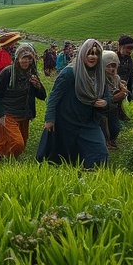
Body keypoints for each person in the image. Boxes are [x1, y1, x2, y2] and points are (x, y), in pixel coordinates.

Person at [37, 39, 110, 168]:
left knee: (99, 152)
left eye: (96, 53)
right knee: (62, 159)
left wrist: (104, 103)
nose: (92, 56)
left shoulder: (100, 75)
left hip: (88, 122)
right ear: (82, 54)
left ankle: (90, 178)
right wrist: (49, 119)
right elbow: (54, 96)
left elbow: (107, 97)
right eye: (89, 53)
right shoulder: (70, 73)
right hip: (66, 121)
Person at [0, 43, 46, 161]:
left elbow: (42, 96)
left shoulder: (32, 74)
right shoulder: (7, 72)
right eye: (23, 57)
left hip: (23, 115)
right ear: (17, 58)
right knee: (18, 143)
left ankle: (0, 156)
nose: (26, 61)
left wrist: (38, 86)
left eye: (29, 58)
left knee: (21, 144)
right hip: (8, 113)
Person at [100, 50, 129, 147]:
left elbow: (121, 87)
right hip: (103, 110)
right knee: (104, 128)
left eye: (114, 66)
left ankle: (112, 140)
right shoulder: (101, 79)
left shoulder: (116, 78)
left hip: (114, 108)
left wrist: (123, 90)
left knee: (116, 127)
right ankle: (106, 143)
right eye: (109, 66)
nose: (111, 69)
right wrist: (118, 95)